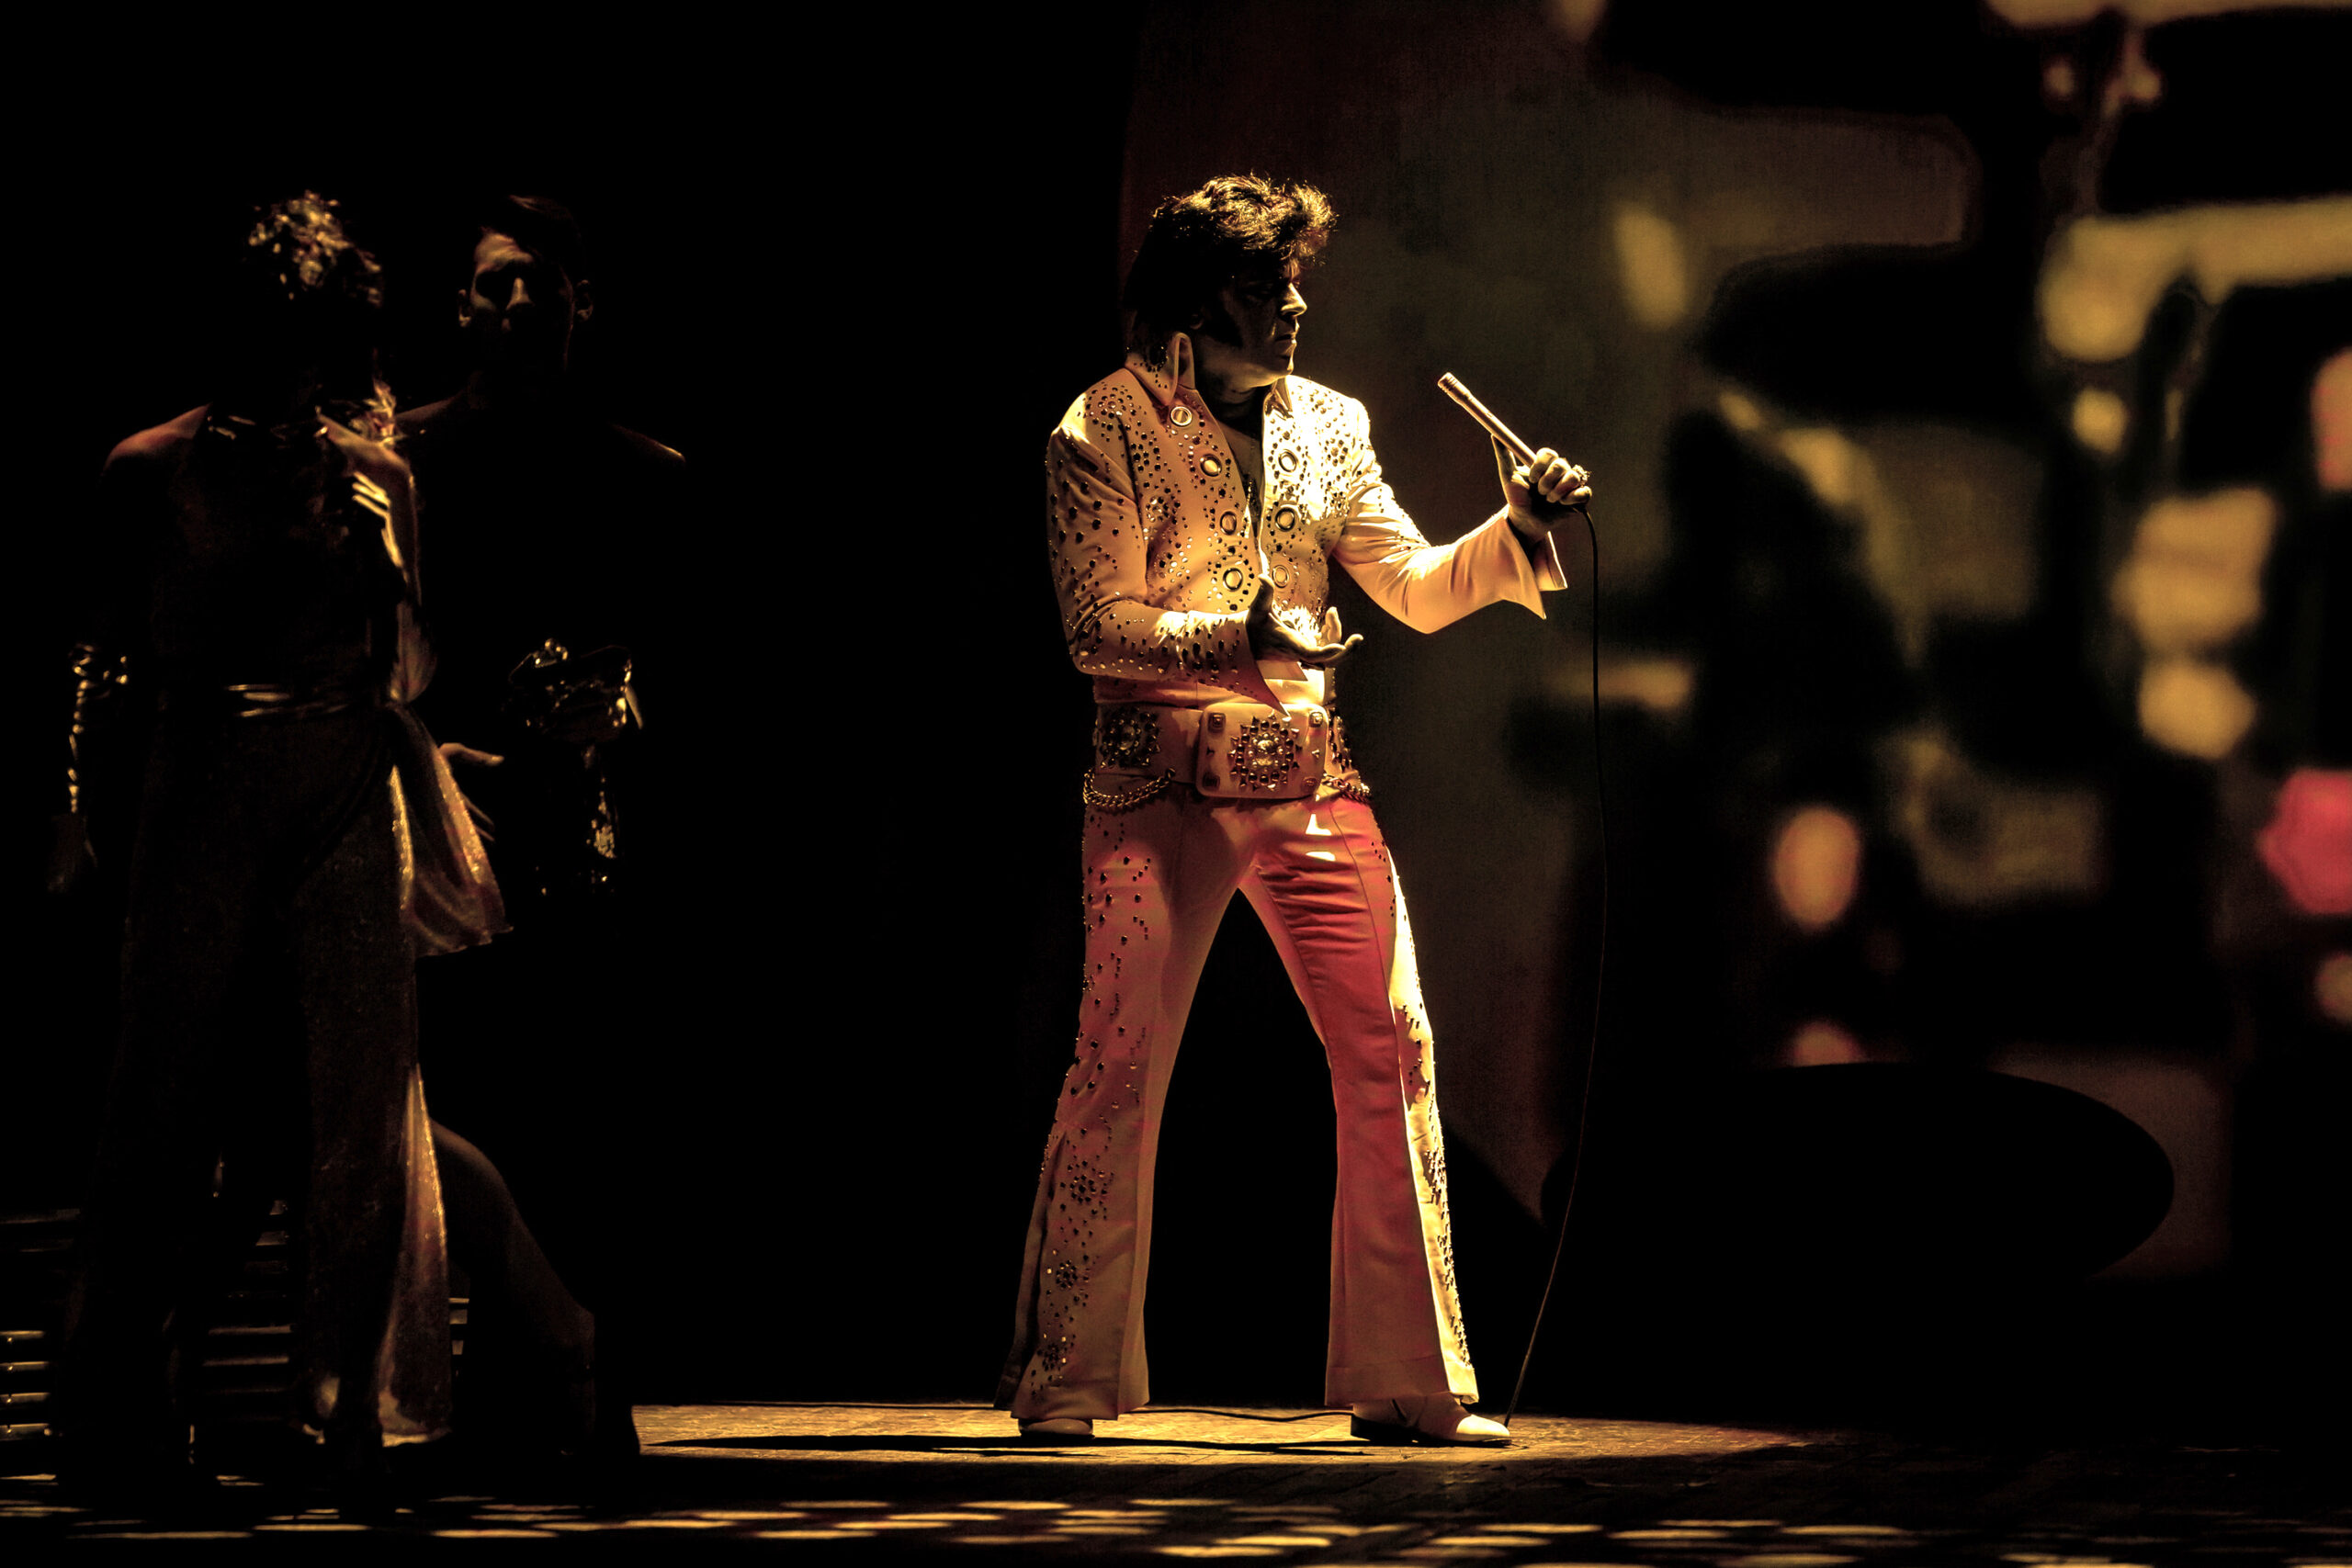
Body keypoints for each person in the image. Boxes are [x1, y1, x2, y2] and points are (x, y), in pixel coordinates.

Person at [999, 175, 1593, 1445]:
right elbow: (1097, 630)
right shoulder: (1098, 428)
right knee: (1118, 1059)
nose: (1295, 304)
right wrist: (1247, 628)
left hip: (1305, 774)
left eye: (1294, 280)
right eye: (1268, 283)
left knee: (1392, 1041)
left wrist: (1517, 525)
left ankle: (1411, 1380)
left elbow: (1415, 588)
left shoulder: (1330, 423)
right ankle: (1066, 1377)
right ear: (1198, 295)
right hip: (1157, 780)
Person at [51, 194, 503, 1508]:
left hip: (343, 788)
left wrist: (389, 563)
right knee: (161, 1102)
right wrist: (72, 817)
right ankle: (114, 1411)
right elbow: (96, 657)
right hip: (202, 791)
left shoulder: (377, 475)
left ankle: (342, 1412)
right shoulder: (152, 467)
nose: (292, 372)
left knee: (361, 1107)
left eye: (311, 345)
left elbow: (412, 674)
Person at [396, 196, 685, 1460]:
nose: (518, 304)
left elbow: (683, 658)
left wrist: (620, 714)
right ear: (460, 307)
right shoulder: (403, 463)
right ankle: (474, 1380)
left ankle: (566, 1377)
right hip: (432, 816)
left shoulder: (643, 475)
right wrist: (423, 754)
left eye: (542, 283)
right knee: (456, 1096)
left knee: (582, 1107)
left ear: (582, 304)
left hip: (580, 823)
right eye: (495, 284)